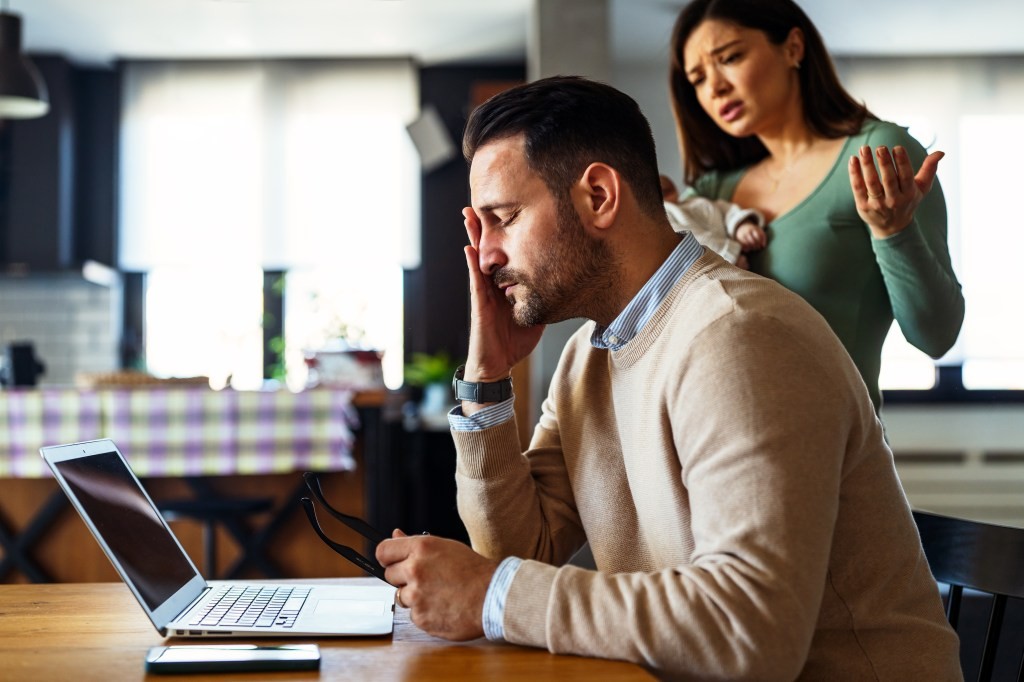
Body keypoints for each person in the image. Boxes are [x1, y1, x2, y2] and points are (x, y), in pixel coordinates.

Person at [375, 75, 961, 680]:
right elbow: (517, 551)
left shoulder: (737, 335)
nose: (487, 255)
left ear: (599, 196)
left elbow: (750, 634)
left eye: (505, 218)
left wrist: (496, 594)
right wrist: (487, 377)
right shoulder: (588, 356)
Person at [669, 0, 965, 412]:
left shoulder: (874, 154)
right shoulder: (712, 189)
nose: (714, 87)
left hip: (831, 451)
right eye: (697, 78)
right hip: (716, 443)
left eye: (730, 58)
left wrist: (893, 231)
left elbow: (937, 336)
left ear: (793, 47)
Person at [660, 173, 766, 269]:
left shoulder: (697, 202)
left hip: (735, 254)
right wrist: (726, 254)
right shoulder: (665, 216)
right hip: (714, 267)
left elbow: (725, 210)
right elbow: (694, 238)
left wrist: (741, 226)